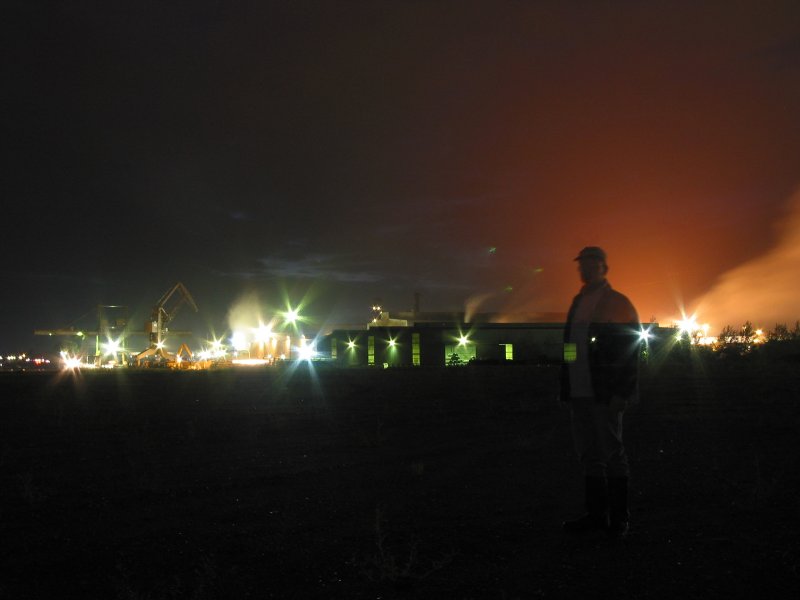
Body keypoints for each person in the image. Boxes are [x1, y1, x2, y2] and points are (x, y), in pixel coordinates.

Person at [560, 246, 641, 538]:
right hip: (580, 391)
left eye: (591, 263)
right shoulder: (578, 302)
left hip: (605, 392)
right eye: (582, 264)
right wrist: (568, 383)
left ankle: (619, 520)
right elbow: (569, 345)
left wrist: (623, 392)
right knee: (590, 453)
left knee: (611, 451)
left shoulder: (617, 302)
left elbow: (630, 350)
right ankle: (597, 516)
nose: (585, 268)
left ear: (603, 267)